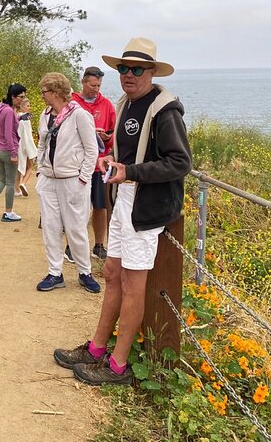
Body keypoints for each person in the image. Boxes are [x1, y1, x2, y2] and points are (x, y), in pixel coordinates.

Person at [54, 38, 192, 385]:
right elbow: (132, 154)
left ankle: (117, 365)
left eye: (136, 69)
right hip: (124, 201)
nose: (128, 75)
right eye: (123, 68)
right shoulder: (127, 104)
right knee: (113, 272)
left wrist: (130, 172)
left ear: (151, 72)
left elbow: (180, 162)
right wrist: (114, 162)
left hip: (147, 208)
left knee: (133, 283)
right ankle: (98, 348)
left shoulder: (164, 109)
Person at [34, 73, 101, 295]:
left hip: (72, 180)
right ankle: (55, 273)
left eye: (44, 91)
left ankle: (85, 272)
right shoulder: (44, 115)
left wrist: (83, 177)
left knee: (76, 228)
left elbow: (92, 150)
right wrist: (39, 169)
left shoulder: (79, 115)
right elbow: (42, 143)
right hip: (49, 180)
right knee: (51, 228)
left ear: (55, 92)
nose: (42, 95)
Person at [64, 66, 117, 262]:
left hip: (100, 165)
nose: (96, 89)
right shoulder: (72, 104)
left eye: (99, 85)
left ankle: (99, 245)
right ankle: (71, 246)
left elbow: (114, 135)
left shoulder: (107, 105)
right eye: (93, 85)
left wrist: (106, 137)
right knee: (78, 206)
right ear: (83, 82)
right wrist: (89, 133)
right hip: (77, 164)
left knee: (100, 206)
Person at [0, 84, 26, 222]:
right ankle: (8, 212)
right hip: (8, 150)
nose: (22, 100)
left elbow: (5, 126)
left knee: (2, 179)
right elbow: (8, 134)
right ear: (12, 96)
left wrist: (19, 118)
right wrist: (13, 153)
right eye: (20, 97)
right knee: (10, 182)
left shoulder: (0, 107)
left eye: (24, 97)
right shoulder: (8, 111)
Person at [14, 97, 38, 197]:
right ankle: (23, 183)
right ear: (22, 107)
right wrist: (31, 148)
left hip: (18, 145)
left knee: (19, 167)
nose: (29, 108)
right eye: (28, 106)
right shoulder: (25, 118)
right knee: (30, 166)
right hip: (26, 145)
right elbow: (27, 135)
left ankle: (16, 189)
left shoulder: (16, 117)